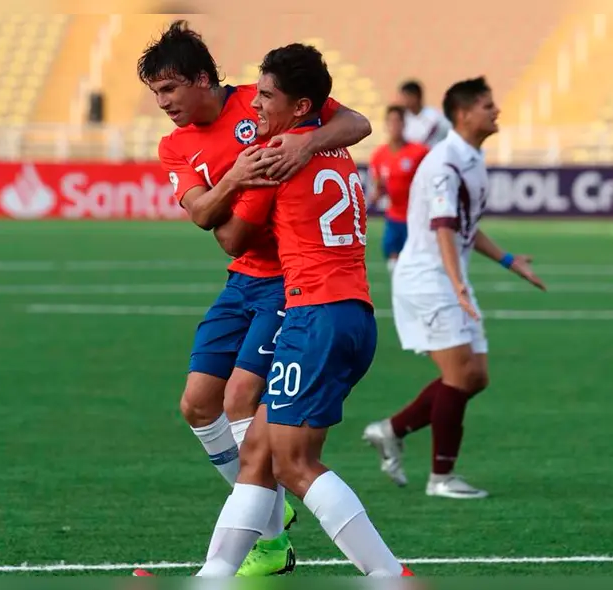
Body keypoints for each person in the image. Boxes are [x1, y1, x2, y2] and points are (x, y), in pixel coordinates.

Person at [136, 42, 413, 579]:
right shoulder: (298, 145)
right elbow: (204, 214)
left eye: (265, 97)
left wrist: (255, 169)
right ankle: (215, 574)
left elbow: (231, 234)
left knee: (285, 453)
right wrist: (250, 171)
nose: (256, 108)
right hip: (340, 304)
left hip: (304, 302)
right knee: (244, 437)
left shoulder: (275, 152)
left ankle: (387, 574)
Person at [363, 77, 546, 499]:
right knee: (460, 373)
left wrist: (508, 260)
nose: (496, 111)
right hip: (429, 279)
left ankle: (391, 430)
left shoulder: (471, 158)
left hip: (447, 278)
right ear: (463, 114)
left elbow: (464, 226)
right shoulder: (445, 162)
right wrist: (459, 284)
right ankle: (441, 478)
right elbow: (443, 227)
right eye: (487, 105)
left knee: (475, 376)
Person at [368, 105, 429, 273]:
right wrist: (375, 196)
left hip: (416, 217)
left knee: (416, 262)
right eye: (391, 121)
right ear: (386, 125)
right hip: (394, 216)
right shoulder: (379, 155)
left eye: (398, 121)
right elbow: (379, 185)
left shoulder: (419, 152)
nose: (394, 125)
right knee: (392, 256)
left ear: (404, 124)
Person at [397, 80, 451, 148]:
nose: (402, 101)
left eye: (405, 97)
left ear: (415, 97)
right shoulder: (402, 119)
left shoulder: (435, 116)